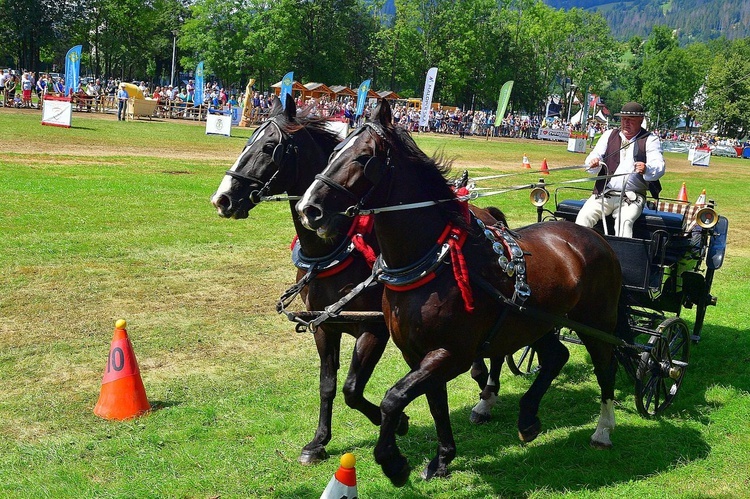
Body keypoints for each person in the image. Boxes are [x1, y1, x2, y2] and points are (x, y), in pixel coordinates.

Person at [575, 101, 666, 238]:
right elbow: (594, 156)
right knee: (583, 217)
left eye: (631, 120)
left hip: (632, 198)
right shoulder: (609, 135)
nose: (626, 123)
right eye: (623, 119)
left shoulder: (650, 140)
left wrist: (647, 168)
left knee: (625, 222)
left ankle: (621, 257)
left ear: (641, 120)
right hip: (604, 194)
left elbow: (659, 166)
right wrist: (593, 162)